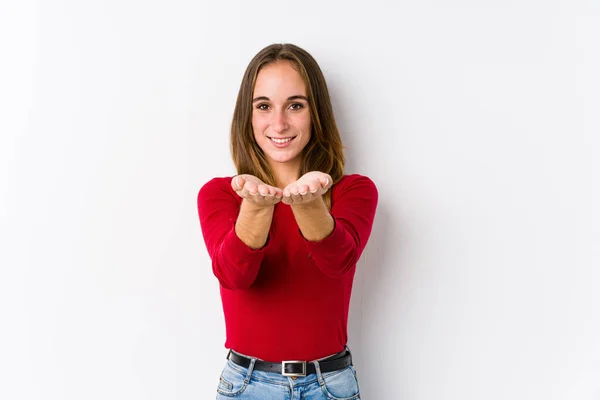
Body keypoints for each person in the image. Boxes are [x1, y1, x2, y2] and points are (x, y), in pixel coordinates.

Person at [197, 43, 378, 399]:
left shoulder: (353, 191)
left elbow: (338, 260)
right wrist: (255, 206)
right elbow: (234, 274)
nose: (278, 123)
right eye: (264, 106)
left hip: (330, 384)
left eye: (295, 105)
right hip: (247, 385)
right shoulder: (220, 194)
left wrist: (309, 204)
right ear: (247, 117)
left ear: (316, 114)